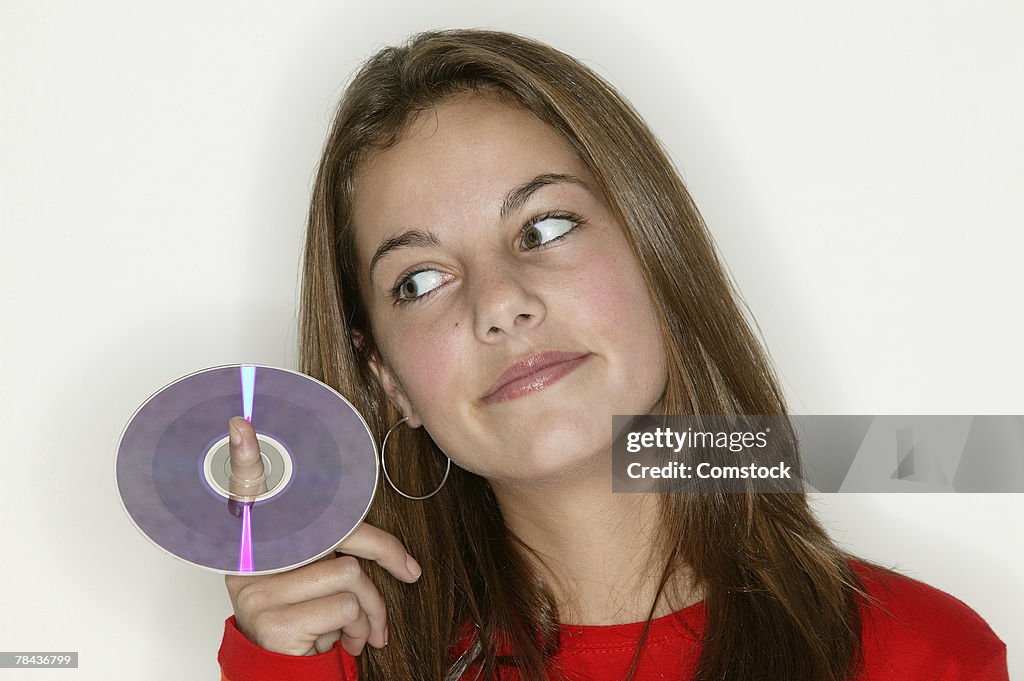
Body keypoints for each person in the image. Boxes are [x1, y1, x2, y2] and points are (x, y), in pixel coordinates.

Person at [217, 29, 1008, 681]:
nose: (498, 303)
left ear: (656, 256)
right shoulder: (325, 663)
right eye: (420, 280)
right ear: (389, 380)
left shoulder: (922, 654)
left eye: (546, 228)